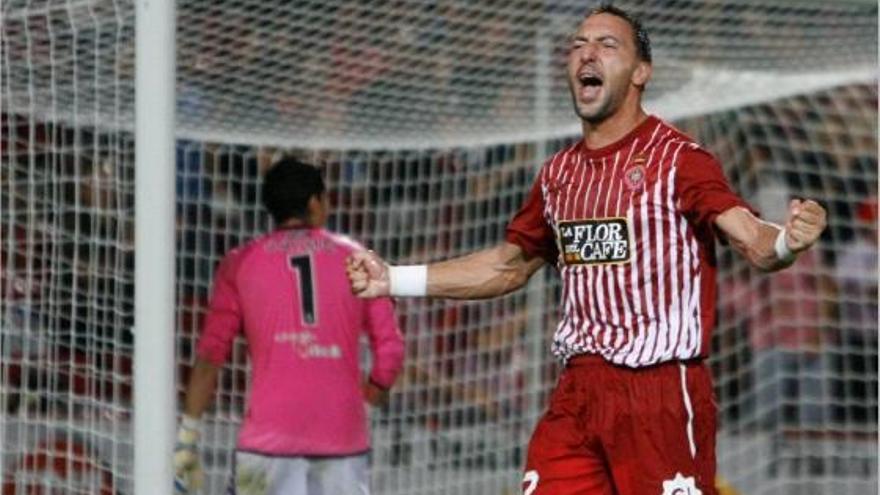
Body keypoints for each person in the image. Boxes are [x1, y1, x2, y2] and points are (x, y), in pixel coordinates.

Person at [346, 5, 827, 495]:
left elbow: (752, 240)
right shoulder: (558, 175)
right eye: (578, 44)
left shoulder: (680, 160)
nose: (586, 54)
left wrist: (788, 240)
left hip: (659, 392)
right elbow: (508, 266)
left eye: (606, 44)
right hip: (578, 391)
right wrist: (394, 278)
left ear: (642, 72)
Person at [174, 158, 405, 495]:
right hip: (341, 443)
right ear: (315, 202)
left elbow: (211, 355)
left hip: (265, 445)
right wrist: (370, 398)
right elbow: (391, 351)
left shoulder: (240, 263)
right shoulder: (357, 258)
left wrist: (187, 437)